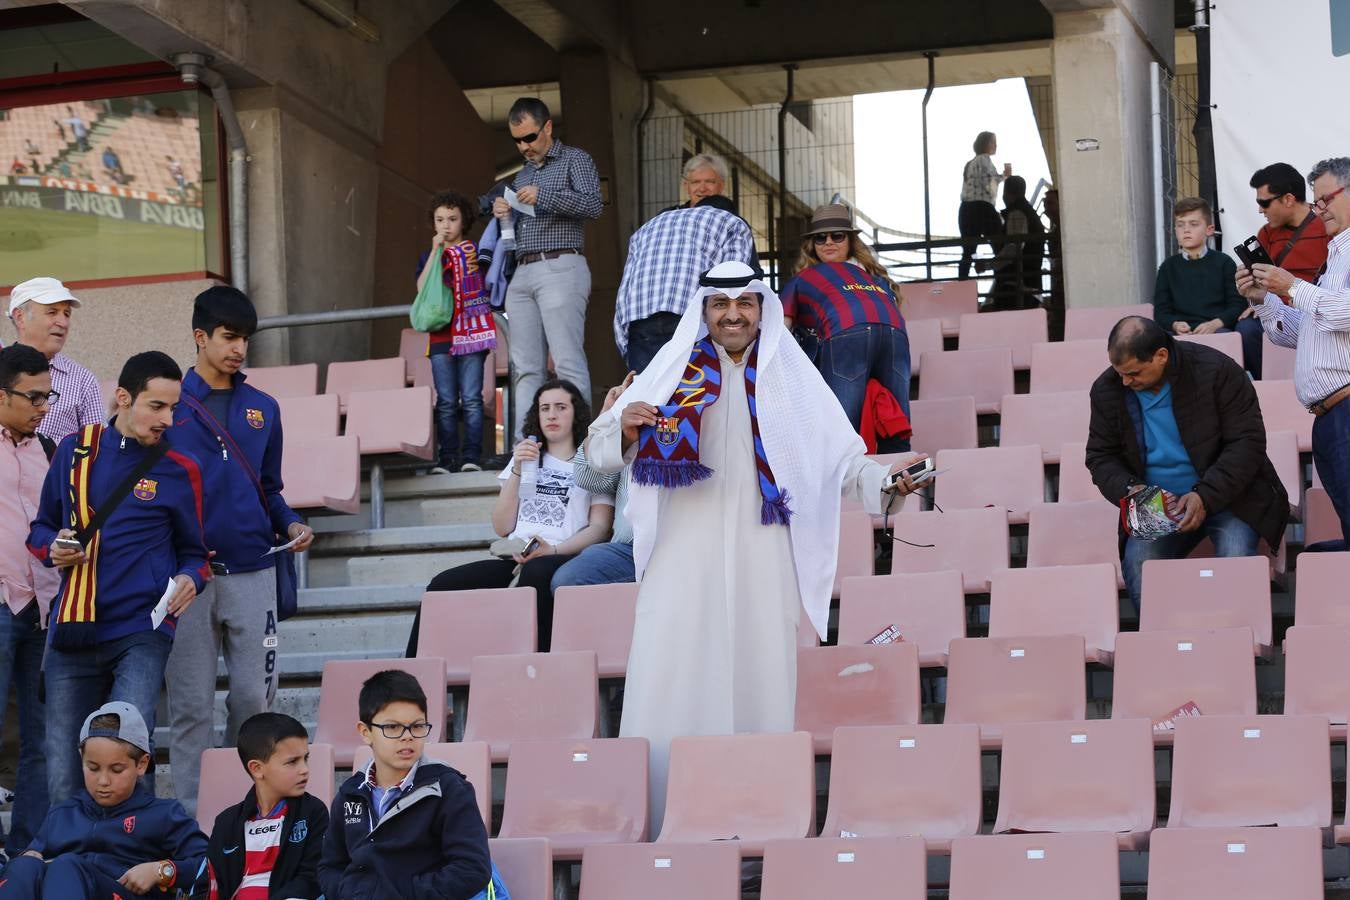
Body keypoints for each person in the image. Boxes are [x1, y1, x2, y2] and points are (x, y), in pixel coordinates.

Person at [587, 261, 925, 828]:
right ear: (705, 312)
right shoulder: (669, 372)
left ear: (762, 309)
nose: (733, 314)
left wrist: (887, 483)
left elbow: (842, 461)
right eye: (720, 305)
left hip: (765, 551)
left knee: (759, 679)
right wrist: (623, 429)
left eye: (744, 303)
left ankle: (758, 819)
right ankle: (673, 819)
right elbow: (595, 454)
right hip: (682, 557)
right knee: (674, 677)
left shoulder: (789, 378)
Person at [28, 351, 210, 804]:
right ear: (123, 398)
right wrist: (52, 548)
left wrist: (192, 578)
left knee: (131, 749)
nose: (167, 418)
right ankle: (68, 863)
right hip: (72, 627)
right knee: (66, 766)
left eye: (174, 407)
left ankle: (134, 859)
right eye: (157, 406)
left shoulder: (181, 467)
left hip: (141, 631)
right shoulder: (74, 449)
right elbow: (39, 530)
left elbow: (196, 554)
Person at [166, 287, 313, 817]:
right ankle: (191, 817)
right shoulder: (168, 405)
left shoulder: (263, 408)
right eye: (229, 337)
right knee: (189, 709)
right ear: (200, 336)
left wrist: (292, 521)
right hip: (187, 578)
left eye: (245, 339)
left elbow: (268, 487)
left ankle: (246, 814)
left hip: (255, 569)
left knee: (254, 701)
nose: (238, 349)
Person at [1085, 317, 1287, 611]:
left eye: (1134, 373)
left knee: (1235, 557)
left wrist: (1205, 495)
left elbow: (1247, 443)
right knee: (1140, 563)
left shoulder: (1216, 370)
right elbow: (1101, 457)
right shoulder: (1107, 389)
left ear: (1161, 356)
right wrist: (1132, 489)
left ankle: (1236, 646)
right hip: (1156, 506)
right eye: (1120, 374)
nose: (1126, 382)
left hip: (1230, 497)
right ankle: (1161, 647)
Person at [406, 379, 614, 655]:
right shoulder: (525, 459)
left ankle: (530, 663)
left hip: (563, 556)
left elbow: (600, 527)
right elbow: (502, 526)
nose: (551, 415)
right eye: (544, 408)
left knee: (536, 571)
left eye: (561, 407)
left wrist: (553, 549)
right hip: (516, 557)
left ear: (576, 414)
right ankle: (411, 675)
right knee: (441, 585)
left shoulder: (592, 460)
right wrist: (516, 468)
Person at [1237, 156, 1350, 550]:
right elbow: (1306, 331)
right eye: (1316, 201)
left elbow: (1345, 312)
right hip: (1330, 416)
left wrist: (1291, 287)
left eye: (1324, 199)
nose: (1319, 210)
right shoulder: (1337, 253)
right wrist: (1266, 299)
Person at [0, 702, 208, 899]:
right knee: (23, 865)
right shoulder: (63, 813)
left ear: (142, 764)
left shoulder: (164, 814)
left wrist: (161, 870)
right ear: (81, 758)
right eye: (93, 768)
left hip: (124, 893)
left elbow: (211, 865)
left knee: (67, 865)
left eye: (117, 770)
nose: (103, 781)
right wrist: (32, 855)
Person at [318, 670, 490, 900]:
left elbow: (472, 868)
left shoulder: (448, 789)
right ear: (366, 732)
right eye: (392, 727)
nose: (407, 736)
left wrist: (405, 893)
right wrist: (353, 892)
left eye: (417, 726)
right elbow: (329, 867)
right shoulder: (350, 795)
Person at [492, 97, 602, 439]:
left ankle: (579, 445)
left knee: (567, 360)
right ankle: (526, 446)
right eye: (517, 140)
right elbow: (514, 238)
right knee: (525, 368)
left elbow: (593, 205)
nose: (524, 146)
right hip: (523, 270)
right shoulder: (522, 173)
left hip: (561, 263)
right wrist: (506, 218)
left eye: (530, 137)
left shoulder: (575, 159)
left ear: (548, 128)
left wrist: (545, 196)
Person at [781, 203, 911, 450]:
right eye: (820, 238)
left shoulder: (803, 279)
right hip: (896, 336)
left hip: (847, 334)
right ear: (813, 245)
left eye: (837, 236)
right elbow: (894, 312)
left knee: (842, 429)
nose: (828, 242)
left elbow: (779, 332)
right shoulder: (877, 280)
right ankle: (898, 483)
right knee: (896, 422)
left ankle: (845, 486)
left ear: (850, 241)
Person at [0, 345, 60, 854]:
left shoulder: (52, 450)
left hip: (44, 612)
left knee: (42, 740)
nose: (43, 405)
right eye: (33, 395)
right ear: (1, 395)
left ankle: (26, 852)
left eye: (48, 394)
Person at [614, 192, 757, 374]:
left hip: (639, 321)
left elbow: (625, 290)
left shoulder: (648, 226)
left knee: (647, 396)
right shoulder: (732, 222)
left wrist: (626, 347)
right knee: (693, 395)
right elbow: (731, 281)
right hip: (688, 317)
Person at [191, 712, 329, 900]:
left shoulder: (313, 812)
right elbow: (208, 883)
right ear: (257, 768)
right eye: (292, 762)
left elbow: (314, 876)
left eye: (306, 758)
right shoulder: (227, 822)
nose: (304, 769)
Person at [415, 191, 496, 474]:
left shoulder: (474, 252)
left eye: (452, 219)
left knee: (472, 398)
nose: (446, 225)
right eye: (440, 220)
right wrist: (436, 253)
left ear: (464, 221)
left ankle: (471, 456)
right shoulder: (430, 254)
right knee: (447, 401)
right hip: (440, 337)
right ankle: (447, 458)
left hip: (473, 334)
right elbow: (421, 289)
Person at [1152, 197, 1260, 377]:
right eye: (1180, 225)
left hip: (1219, 330)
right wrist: (1175, 324)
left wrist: (1216, 323)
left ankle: (1249, 379)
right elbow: (1161, 312)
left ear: (1209, 229)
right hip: (1179, 333)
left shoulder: (1224, 263)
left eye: (1194, 224)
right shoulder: (1167, 267)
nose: (1186, 230)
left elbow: (1236, 306)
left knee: (1230, 338)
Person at [551, 377, 636, 592]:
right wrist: (609, 413)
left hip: (680, 545)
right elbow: (589, 479)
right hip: (628, 549)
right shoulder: (627, 426)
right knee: (568, 580)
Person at [7, 277, 103, 442]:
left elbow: (96, 448)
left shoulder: (83, 381)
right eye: (52, 312)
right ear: (20, 317)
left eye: (67, 314)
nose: (63, 322)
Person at [1249, 162, 1330, 285]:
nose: (1260, 210)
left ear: (1288, 199)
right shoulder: (1266, 233)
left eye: (1264, 203)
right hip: (1272, 304)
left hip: (1313, 303)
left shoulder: (1328, 229)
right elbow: (1261, 288)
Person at [983, 175, 1046, 310]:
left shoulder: (1017, 212)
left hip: (1017, 287)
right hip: (1030, 284)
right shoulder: (1028, 212)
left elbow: (1013, 248)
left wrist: (987, 265)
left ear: (1006, 193)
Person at [958, 130, 1010, 280]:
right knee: (999, 246)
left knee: (968, 250)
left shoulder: (970, 163)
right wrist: (1004, 177)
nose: (995, 145)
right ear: (986, 144)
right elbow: (989, 185)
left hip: (966, 209)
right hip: (982, 207)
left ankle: (962, 284)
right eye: (993, 142)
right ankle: (1003, 280)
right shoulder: (984, 160)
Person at [666, 152, 731, 212]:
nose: (702, 189)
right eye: (695, 182)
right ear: (686, 186)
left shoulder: (733, 220)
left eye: (709, 182)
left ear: (722, 185)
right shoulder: (669, 216)